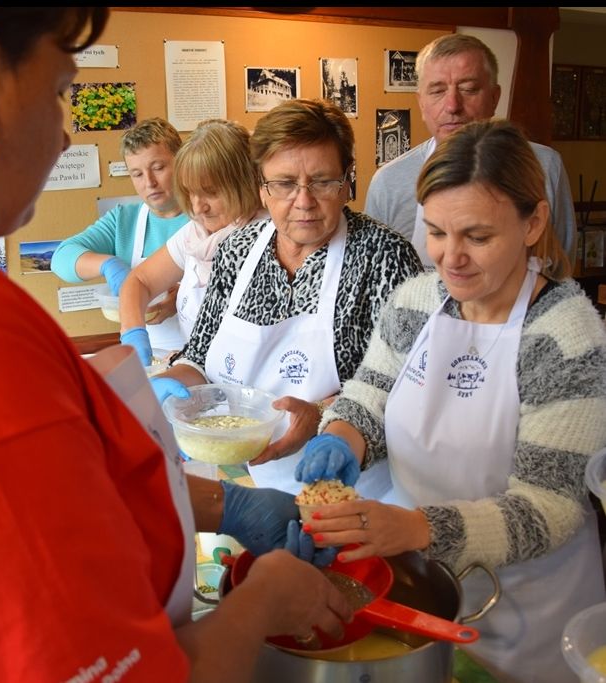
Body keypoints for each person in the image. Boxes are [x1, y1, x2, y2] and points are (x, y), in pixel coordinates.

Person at [0, 9, 355, 682]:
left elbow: (74, 481)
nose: (65, 130)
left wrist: (222, 503)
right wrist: (263, 600)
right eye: (62, 89)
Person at [297, 119, 606, 683]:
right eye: (436, 232)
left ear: (533, 222)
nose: (450, 258)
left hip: (528, 610)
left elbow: (552, 506)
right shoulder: (417, 300)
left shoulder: (566, 338)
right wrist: (342, 435)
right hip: (420, 581)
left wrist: (417, 528)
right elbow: (371, 391)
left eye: (477, 236)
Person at [151, 98, 422, 496]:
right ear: (262, 189)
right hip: (258, 475)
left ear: (347, 182)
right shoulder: (236, 251)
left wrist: (322, 415)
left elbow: (408, 386)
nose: (303, 200)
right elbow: (201, 352)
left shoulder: (385, 257)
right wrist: (172, 385)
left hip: (358, 487)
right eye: (283, 184)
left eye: (322, 181)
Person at [364, 33, 577, 268]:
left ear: (495, 97)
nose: (453, 105)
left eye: (469, 89)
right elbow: (375, 276)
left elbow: (561, 265)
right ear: (421, 104)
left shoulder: (545, 166)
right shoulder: (389, 182)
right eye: (437, 91)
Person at [119, 118, 265, 367]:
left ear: (245, 183)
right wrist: (133, 333)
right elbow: (140, 280)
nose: (197, 207)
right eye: (189, 193)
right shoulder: (196, 233)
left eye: (210, 192)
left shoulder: (267, 237)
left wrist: (186, 363)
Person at [51, 116, 188, 353]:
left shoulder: (207, 216)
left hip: (203, 356)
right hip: (149, 353)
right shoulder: (124, 220)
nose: (150, 182)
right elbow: (61, 259)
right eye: (137, 174)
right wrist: (109, 265)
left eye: (158, 167)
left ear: (182, 162)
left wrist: (186, 298)